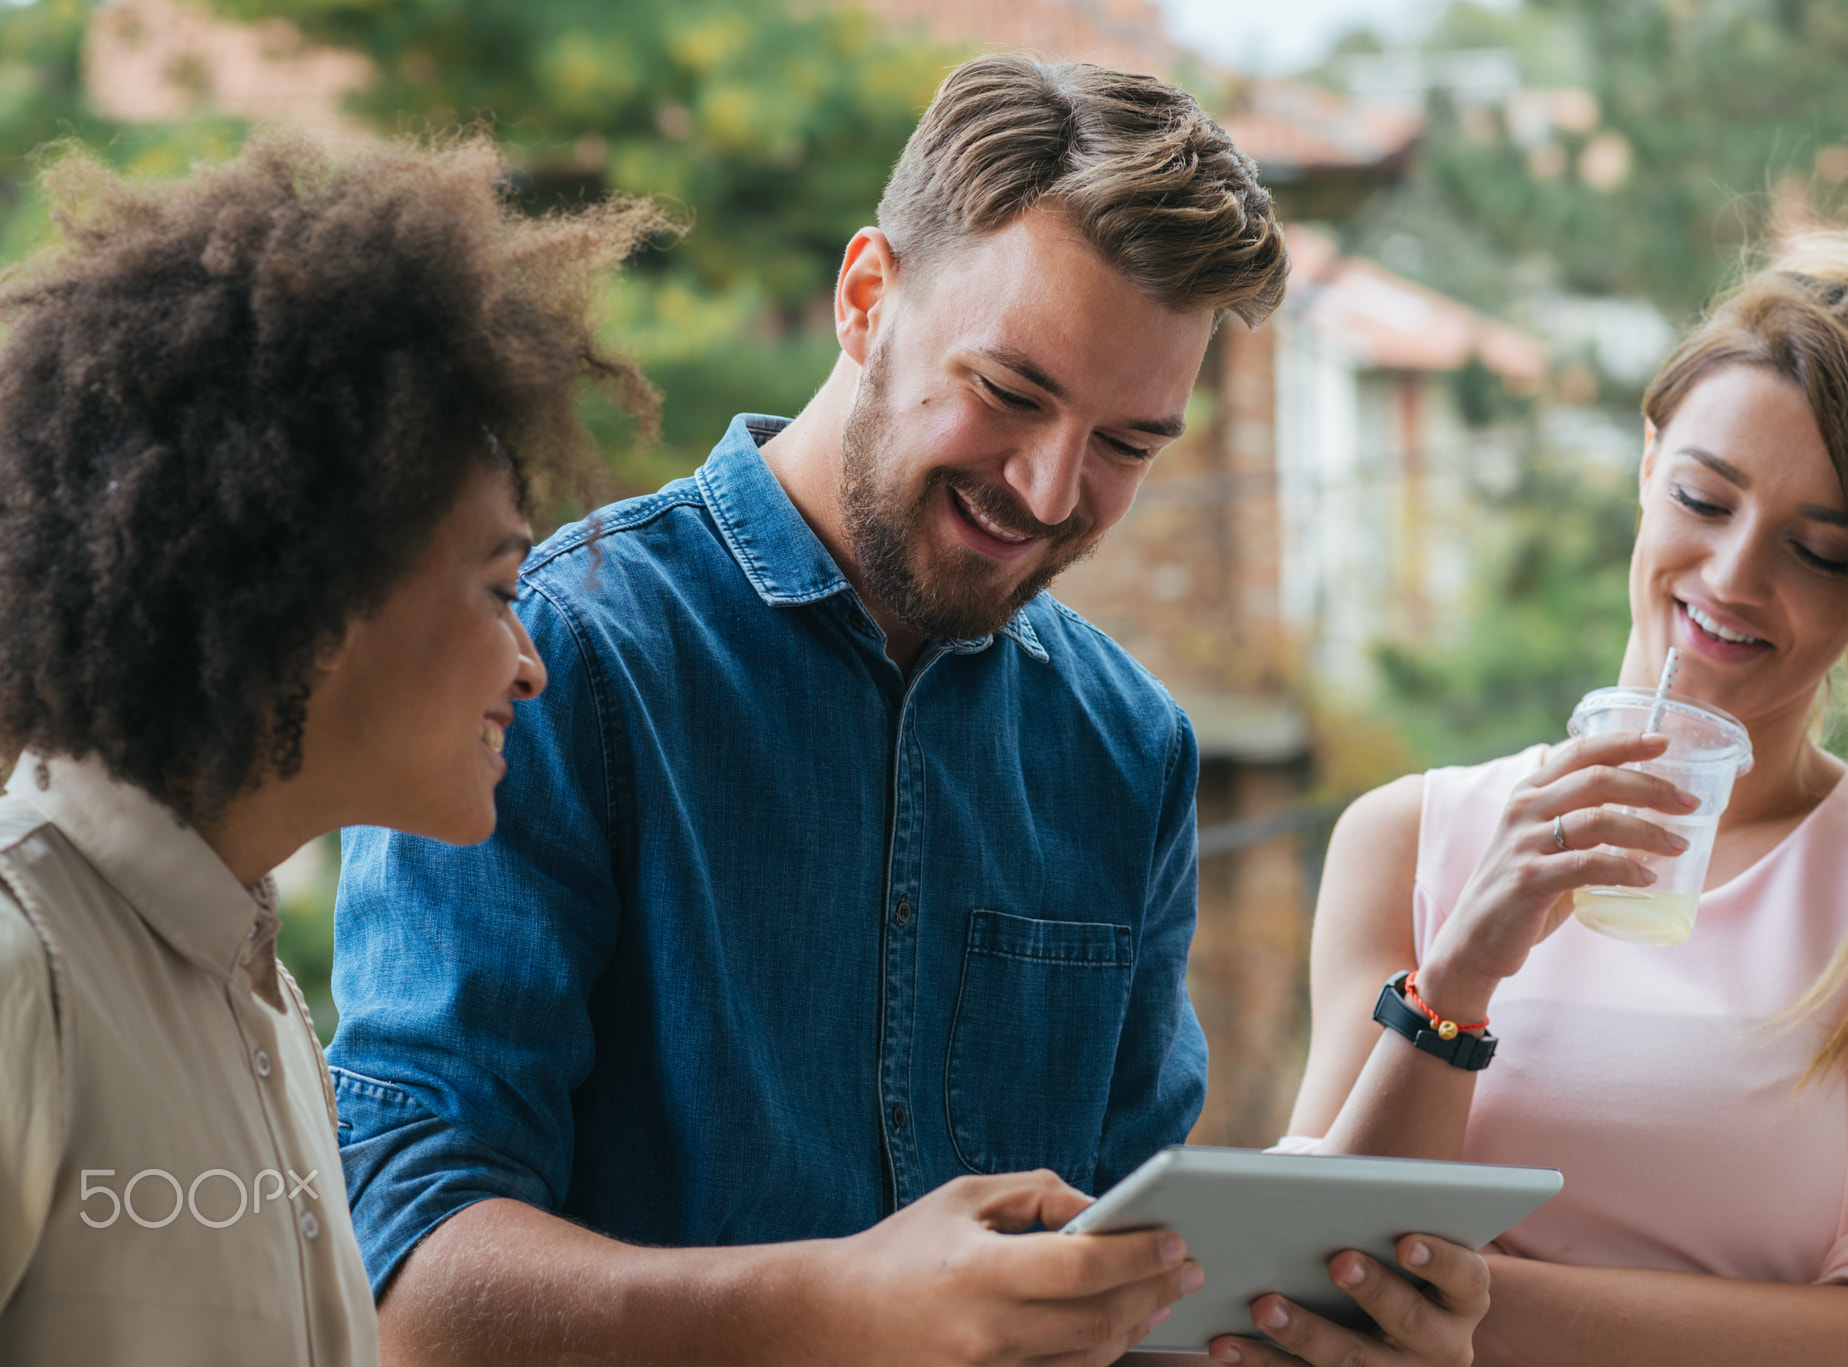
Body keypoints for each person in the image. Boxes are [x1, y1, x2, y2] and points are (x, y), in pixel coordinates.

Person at [326, 54, 1489, 1367]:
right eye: (1010, 392)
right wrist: (839, 1302)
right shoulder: (553, 654)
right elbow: (408, 1280)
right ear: (867, 297)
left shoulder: (1130, 745)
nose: (1052, 491)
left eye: (1127, 444)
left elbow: (1121, 1280)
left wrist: (1301, 1327)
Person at [1286, 230, 1848, 1366]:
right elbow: (1301, 1280)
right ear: (1646, 462)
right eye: (1704, 496)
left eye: (1821, 552)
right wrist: (1458, 975)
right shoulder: (1407, 837)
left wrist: (1481, 1308)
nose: (1734, 575)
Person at [0, 133, 664, 1364]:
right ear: (313, 598)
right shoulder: (19, 968)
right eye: (499, 586)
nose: (532, 662)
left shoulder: (251, 989)